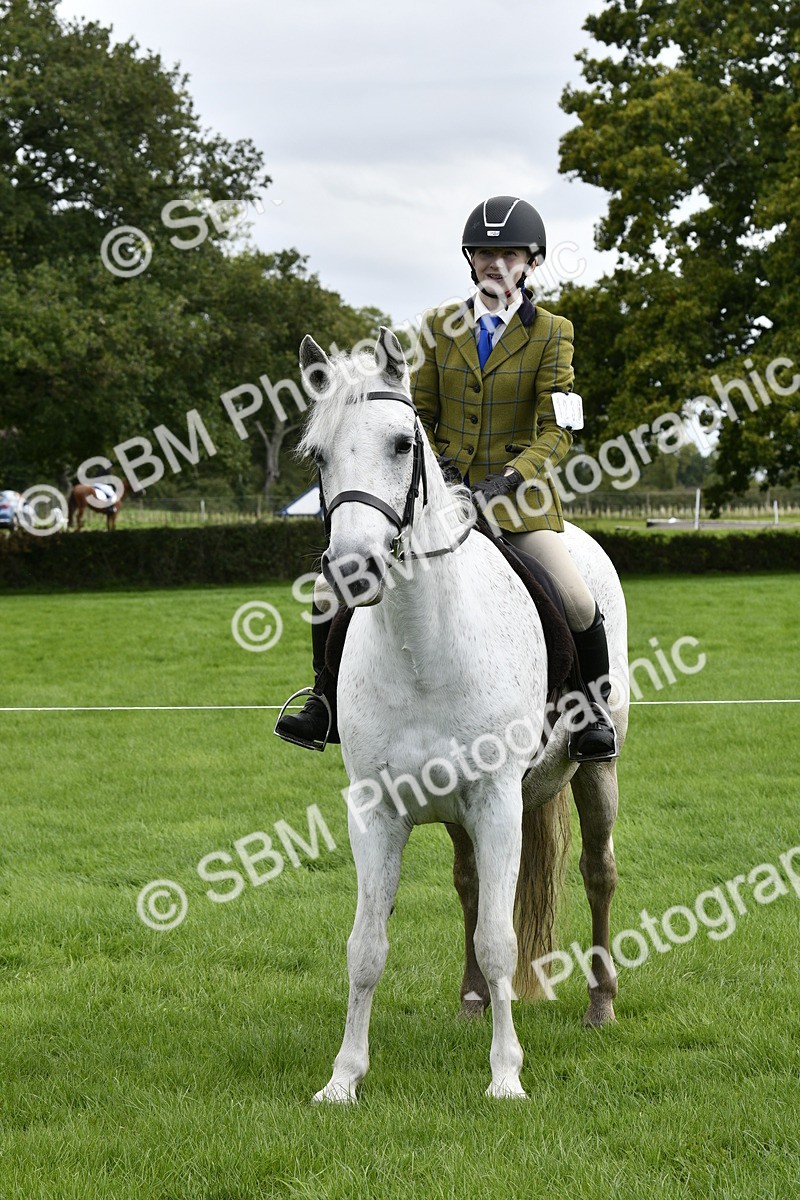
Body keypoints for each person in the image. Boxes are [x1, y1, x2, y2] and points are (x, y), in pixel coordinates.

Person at [275, 195, 617, 761]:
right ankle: (325, 703)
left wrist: (509, 477)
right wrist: (441, 474)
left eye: (508, 255)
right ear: (471, 260)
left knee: (577, 600)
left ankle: (589, 713)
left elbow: (558, 433)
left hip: (519, 503)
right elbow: (420, 416)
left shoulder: (554, 332)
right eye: (484, 254)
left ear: (531, 262)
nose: (495, 264)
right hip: (441, 500)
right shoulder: (439, 326)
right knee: (325, 589)